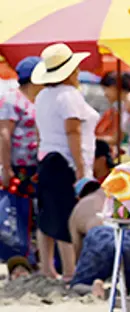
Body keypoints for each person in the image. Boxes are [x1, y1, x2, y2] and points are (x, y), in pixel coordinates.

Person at [32, 43, 99, 281]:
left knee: (47, 215)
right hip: (66, 162)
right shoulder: (69, 96)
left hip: (46, 158)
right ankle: (71, 271)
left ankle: (48, 268)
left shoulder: (42, 96)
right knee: (67, 216)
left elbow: (41, 131)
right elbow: (73, 131)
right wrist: (80, 167)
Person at [67, 179, 130, 298]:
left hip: (100, 236)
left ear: (79, 197)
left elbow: (77, 249)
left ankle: (93, 287)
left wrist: (81, 270)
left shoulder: (79, 207)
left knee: (78, 284)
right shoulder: (119, 194)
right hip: (129, 234)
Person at [0, 56, 41, 194]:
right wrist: (6, 168)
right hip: (18, 165)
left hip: (35, 163)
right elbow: (4, 134)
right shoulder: (11, 100)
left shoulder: (37, 100)